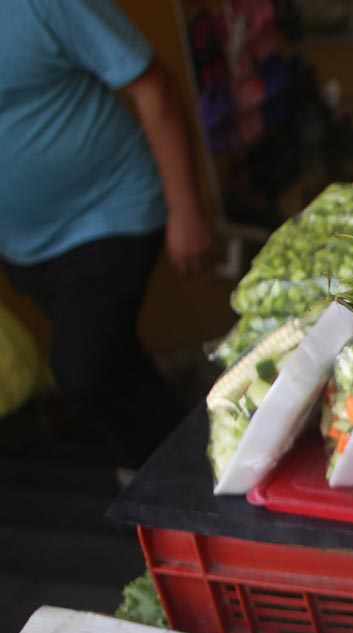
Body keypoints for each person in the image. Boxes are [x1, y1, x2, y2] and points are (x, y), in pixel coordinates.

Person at [0, 0, 215, 475]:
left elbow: (153, 85)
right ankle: (180, 465)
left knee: (82, 367)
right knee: (109, 357)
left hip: (112, 206)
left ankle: (166, 477)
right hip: (23, 244)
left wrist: (185, 208)